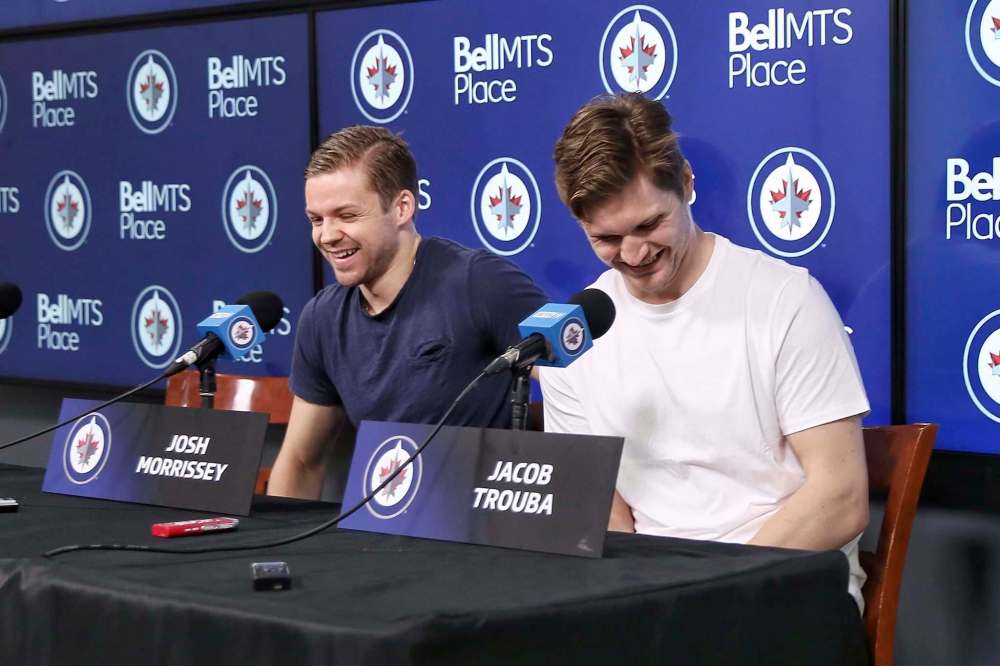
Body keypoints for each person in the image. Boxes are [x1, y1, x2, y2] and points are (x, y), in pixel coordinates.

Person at [541, 93, 870, 611]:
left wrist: (709, 595)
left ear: (687, 183)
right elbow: (599, 509)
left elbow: (841, 497)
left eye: (649, 225)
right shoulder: (571, 333)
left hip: (781, 586)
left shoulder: (785, 300)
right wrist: (635, 602)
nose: (634, 254)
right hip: (653, 598)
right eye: (607, 239)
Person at [268, 126, 547, 500]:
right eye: (316, 220)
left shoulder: (480, 282)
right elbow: (301, 461)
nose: (327, 235)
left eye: (346, 215)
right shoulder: (322, 318)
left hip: (479, 522)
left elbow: (578, 388)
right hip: (377, 524)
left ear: (402, 208)